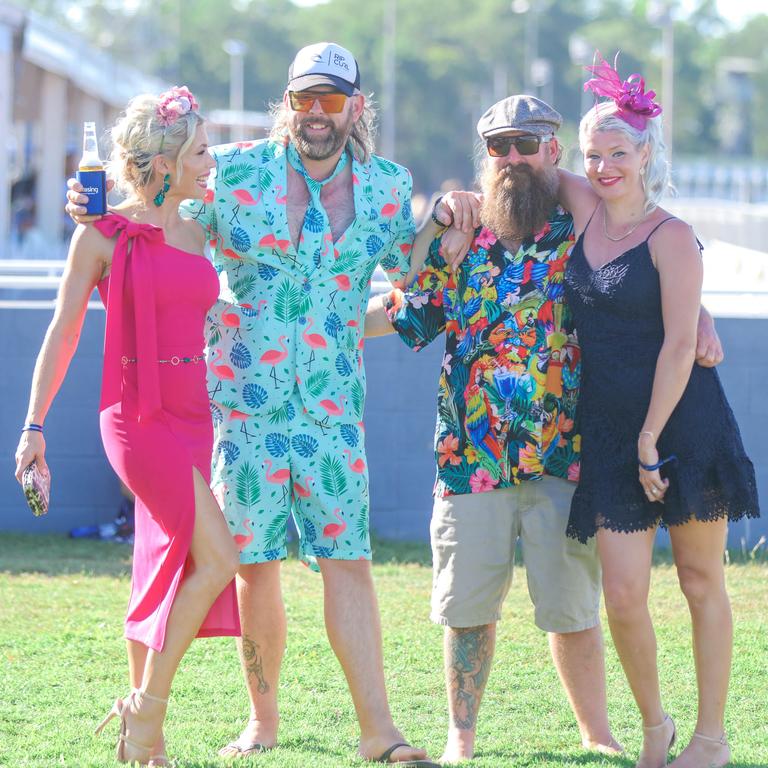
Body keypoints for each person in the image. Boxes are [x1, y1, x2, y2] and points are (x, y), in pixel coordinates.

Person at [67, 42, 437, 766]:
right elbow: (154, 207)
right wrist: (89, 203)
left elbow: (410, 281)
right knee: (252, 565)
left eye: (332, 100)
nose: (318, 114)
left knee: (349, 561)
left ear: (356, 106)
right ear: (288, 104)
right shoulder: (232, 172)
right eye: (305, 99)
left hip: (333, 409)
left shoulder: (392, 190)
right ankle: (261, 724)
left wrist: (448, 227)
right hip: (242, 409)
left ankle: (379, 735)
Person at [364, 94, 723, 764]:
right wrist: (323, 321)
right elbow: (406, 301)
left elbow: (655, 246)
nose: (512, 159)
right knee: (467, 607)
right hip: (469, 456)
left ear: (554, 152)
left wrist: (698, 313)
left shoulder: (583, 233)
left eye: (526, 145)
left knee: (574, 608)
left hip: (567, 453)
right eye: (499, 147)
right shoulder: (460, 241)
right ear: (485, 155)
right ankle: (460, 739)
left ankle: (598, 733)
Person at [19, 86, 240, 766]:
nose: (213, 163)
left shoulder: (204, 226)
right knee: (220, 558)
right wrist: (33, 426)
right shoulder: (101, 233)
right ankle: (144, 715)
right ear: (166, 160)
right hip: (135, 417)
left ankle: (147, 747)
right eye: (202, 151)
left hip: (193, 412)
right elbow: (60, 335)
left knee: (160, 566)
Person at [556, 58, 760, 768]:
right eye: (595, 154)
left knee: (701, 580)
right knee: (621, 593)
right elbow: (524, 160)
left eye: (619, 152)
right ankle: (654, 726)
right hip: (610, 431)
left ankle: (711, 737)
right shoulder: (581, 206)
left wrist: (651, 438)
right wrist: (457, 206)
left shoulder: (673, 235)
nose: (605, 165)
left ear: (647, 154)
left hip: (681, 425)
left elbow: (680, 347)